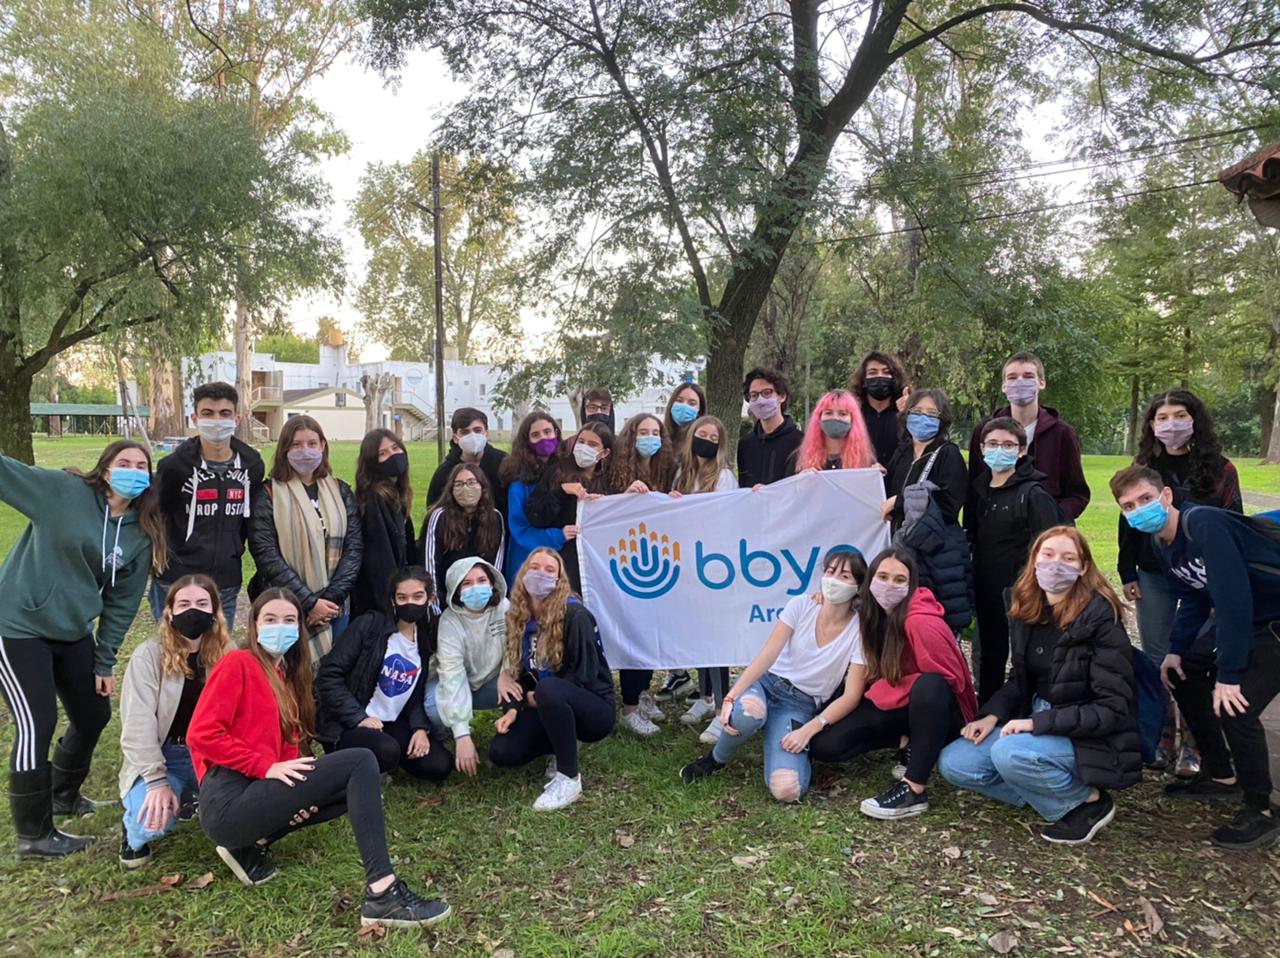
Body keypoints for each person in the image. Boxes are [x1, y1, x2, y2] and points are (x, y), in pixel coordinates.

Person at [187, 588, 451, 927]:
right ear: (254, 626)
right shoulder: (238, 662)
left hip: (255, 795)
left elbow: (286, 747)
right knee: (359, 761)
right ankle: (382, 893)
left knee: (345, 790)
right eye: (270, 619)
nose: (279, 627)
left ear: (299, 628)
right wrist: (264, 767)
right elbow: (202, 734)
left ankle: (253, 844)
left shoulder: (286, 676)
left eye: (288, 620)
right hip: (227, 801)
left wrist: (299, 793)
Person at [0, 441, 164, 858]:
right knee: (37, 721)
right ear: (105, 470)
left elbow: (122, 604)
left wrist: (105, 659)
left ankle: (64, 795)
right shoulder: (62, 492)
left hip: (72, 631)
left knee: (93, 713)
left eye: (141, 465)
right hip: (17, 625)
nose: (133, 470)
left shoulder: (141, 532)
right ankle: (34, 835)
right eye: (123, 463)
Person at [1111, 465, 1280, 850]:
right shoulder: (1160, 542)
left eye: (1146, 499)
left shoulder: (1202, 523)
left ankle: (1261, 810)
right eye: (1128, 506)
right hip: (1251, 619)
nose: (1138, 509)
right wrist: (1175, 650)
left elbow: (1233, 601)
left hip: (1271, 619)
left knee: (1237, 704)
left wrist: (1230, 674)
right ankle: (1220, 774)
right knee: (1183, 671)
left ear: (1167, 496)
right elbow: (1195, 595)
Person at [939, 527, 1140, 844]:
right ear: (1034, 560)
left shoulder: (1101, 619)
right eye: (1047, 555)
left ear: (1083, 568)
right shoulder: (1028, 606)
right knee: (955, 763)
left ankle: (1088, 801)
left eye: (1068, 558)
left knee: (1008, 752)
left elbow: (1111, 710)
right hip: (1038, 712)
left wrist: (1035, 723)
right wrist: (991, 715)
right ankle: (1041, 789)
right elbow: (1020, 679)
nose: (1055, 564)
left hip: (1089, 734)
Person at [679, 548, 870, 802]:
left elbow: (851, 696)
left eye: (845, 576)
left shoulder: (861, 631)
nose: (834, 580)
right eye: (830, 571)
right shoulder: (802, 604)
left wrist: (811, 729)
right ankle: (715, 759)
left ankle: (781, 737)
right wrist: (730, 697)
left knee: (787, 791)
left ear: (858, 587)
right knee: (748, 713)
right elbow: (767, 655)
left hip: (800, 703)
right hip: (768, 684)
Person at [1117, 389, 1242, 774]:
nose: (1171, 424)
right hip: (1153, 572)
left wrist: (1223, 587)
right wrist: (1127, 571)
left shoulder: (1220, 469)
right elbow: (1128, 523)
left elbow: (1233, 522)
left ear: (1194, 419)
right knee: (1157, 655)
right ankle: (1161, 734)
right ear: (1152, 425)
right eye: (1162, 417)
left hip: (1202, 578)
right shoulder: (1143, 465)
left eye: (1179, 415)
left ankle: (1195, 744)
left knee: (1192, 658)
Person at [809, 549, 977, 820]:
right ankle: (906, 742)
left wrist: (893, 690)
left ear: (912, 585)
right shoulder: (870, 615)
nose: (889, 585)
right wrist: (823, 600)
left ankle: (914, 789)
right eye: (882, 576)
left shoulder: (921, 622)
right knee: (825, 745)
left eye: (900, 580)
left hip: (941, 713)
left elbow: (949, 684)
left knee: (929, 685)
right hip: (900, 702)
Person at [118, 575, 234, 867]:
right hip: (164, 755)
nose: (192, 611)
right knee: (153, 823)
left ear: (214, 611)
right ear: (169, 612)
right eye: (183, 603)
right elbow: (137, 725)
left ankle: (194, 796)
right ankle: (132, 825)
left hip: (210, 755)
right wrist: (156, 781)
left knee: (244, 808)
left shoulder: (229, 654)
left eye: (201, 603)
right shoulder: (148, 656)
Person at [490, 549, 615, 810]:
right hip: (547, 699)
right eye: (534, 567)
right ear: (523, 574)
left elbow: (585, 675)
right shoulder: (519, 617)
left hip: (593, 708)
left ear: (559, 579)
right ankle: (558, 743)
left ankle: (569, 777)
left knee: (548, 689)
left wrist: (539, 696)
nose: (541, 574)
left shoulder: (575, 615)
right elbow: (526, 673)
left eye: (550, 570)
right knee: (503, 753)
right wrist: (513, 709)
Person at [315, 568, 451, 783]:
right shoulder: (370, 625)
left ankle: (379, 758)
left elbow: (415, 696)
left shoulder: (423, 643)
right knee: (388, 751)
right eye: (402, 597)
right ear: (393, 600)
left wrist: (420, 728)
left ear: (430, 598)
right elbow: (329, 675)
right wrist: (358, 717)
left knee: (439, 764)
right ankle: (354, 763)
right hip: (351, 722)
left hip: (390, 723)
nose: (410, 603)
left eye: (418, 596)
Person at [964, 418, 1062, 702]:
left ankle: (1025, 709)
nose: (999, 450)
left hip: (1022, 590)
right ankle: (988, 708)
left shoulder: (1033, 494)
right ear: (982, 448)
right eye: (993, 444)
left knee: (1025, 655)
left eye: (1008, 445)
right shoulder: (981, 489)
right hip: (986, 587)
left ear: (1021, 450)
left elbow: (1049, 543)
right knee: (989, 655)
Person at [151, 381, 264, 630]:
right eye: (208, 413)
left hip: (225, 581)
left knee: (219, 660)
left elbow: (251, 522)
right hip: (176, 581)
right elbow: (154, 516)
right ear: (195, 418)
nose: (217, 421)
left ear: (237, 418)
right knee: (174, 659)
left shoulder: (252, 465)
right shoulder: (173, 467)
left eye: (224, 414)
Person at [248, 415, 362, 661]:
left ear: (323, 446)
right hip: (287, 605)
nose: (305, 451)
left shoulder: (340, 491)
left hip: (335, 607)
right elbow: (266, 554)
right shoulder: (268, 495)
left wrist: (328, 601)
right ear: (285, 449)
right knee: (290, 673)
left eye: (312, 443)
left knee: (332, 673)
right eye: (297, 444)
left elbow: (353, 549)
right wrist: (309, 603)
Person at [659, 415, 738, 716]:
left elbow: (726, 518)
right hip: (685, 563)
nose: (707, 440)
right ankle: (704, 696)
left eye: (713, 437)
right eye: (701, 434)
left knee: (715, 632)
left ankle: (721, 702)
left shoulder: (724, 476)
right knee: (697, 631)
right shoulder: (680, 473)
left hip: (713, 564)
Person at [610, 413, 678, 736]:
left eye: (656, 432)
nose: (650, 437)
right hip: (626, 561)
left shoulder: (665, 470)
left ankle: (642, 693)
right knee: (634, 633)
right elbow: (606, 511)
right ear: (631, 436)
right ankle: (630, 708)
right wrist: (626, 495)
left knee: (652, 633)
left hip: (658, 557)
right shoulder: (617, 471)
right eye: (643, 432)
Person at [883, 389, 973, 634]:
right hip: (901, 546)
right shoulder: (902, 452)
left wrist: (900, 502)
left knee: (930, 621)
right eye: (918, 412)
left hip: (933, 555)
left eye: (932, 413)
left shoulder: (948, 453)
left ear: (942, 420)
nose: (924, 418)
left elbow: (949, 504)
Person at [967, 352, 1090, 520]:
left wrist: (1053, 518)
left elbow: (1077, 494)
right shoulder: (985, 431)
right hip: (994, 533)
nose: (1019, 382)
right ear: (1004, 386)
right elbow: (974, 490)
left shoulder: (1062, 433)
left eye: (1027, 376)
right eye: (1012, 377)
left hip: (1046, 534)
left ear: (1041, 383)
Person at [426, 557, 510, 778]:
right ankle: (442, 735)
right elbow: (452, 674)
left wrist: (507, 674)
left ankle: (514, 726)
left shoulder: (504, 608)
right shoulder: (449, 622)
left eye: (482, 580)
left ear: (492, 583)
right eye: (467, 583)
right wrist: (462, 734)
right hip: (462, 682)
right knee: (432, 706)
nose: (476, 587)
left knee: (520, 688)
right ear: (456, 590)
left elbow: (516, 647)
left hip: (495, 682)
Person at [524, 422, 613, 593]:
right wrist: (561, 492)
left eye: (593, 444)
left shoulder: (610, 480)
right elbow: (535, 515)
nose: (584, 447)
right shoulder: (557, 472)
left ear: (605, 452)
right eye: (581, 441)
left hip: (598, 565)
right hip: (564, 563)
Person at [350, 429, 419, 619]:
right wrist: (392, 604)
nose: (393, 455)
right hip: (380, 601)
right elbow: (380, 558)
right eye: (383, 453)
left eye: (395, 448)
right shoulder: (375, 498)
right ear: (372, 463)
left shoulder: (397, 494)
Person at [420, 463, 505, 613]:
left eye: (472, 482)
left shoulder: (495, 517)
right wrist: (436, 606)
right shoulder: (439, 517)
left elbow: (495, 566)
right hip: (446, 601)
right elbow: (430, 564)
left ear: (482, 486)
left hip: (482, 598)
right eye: (458, 484)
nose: (465, 488)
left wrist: (488, 599)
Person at [499, 412, 573, 579]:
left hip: (564, 559)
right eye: (535, 435)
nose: (543, 438)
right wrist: (557, 536)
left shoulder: (569, 469)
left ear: (556, 432)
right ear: (527, 441)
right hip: (528, 557)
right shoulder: (520, 480)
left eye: (547, 432)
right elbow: (520, 528)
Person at [426, 408, 509, 518]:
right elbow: (434, 509)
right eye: (465, 432)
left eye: (477, 430)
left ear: (486, 434)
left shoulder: (504, 463)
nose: (472, 436)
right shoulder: (445, 472)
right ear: (456, 438)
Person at [737, 367, 802, 487]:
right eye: (754, 395)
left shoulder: (801, 442)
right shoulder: (745, 444)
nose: (760, 400)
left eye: (767, 393)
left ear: (782, 396)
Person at [848, 352, 911, 467]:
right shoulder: (853, 414)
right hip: (863, 480)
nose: (879, 376)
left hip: (899, 482)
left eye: (886, 372)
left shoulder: (904, 412)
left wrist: (912, 412)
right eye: (873, 372)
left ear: (894, 377)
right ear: (863, 380)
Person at [794, 389, 877, 473]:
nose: (835, 418)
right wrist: (801, 481)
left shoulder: (866, 459)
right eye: (828, 413)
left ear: (853, 419)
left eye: (843, 414)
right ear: (819, 418)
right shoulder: (799, 458)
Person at [662, 381, 708, 454]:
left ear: (700, 410)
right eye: (679, 401)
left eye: (692, 403)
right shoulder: (659, 440)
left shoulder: (705, 444)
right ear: (671, 404)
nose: (684, 406)